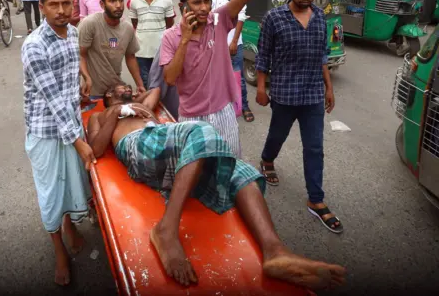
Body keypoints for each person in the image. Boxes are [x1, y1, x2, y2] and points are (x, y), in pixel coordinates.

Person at [86, 83, 346, 290]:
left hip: (163, 148)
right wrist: (115, 113)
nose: (126, 88)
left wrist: (135, 100)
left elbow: (155, 90)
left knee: (242, 171)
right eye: (120, 87)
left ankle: (274, 252)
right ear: (109, 94)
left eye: (127, 86)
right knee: (202, 130)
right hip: (138, 146)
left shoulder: (140, 104)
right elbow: (96, 148)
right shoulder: (100, 115)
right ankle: (166, 229)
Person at [255, 0, 342, 233]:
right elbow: (263, 56)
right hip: (284, 93)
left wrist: (329, 88)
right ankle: (267, 160)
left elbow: (322, 56)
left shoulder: (319, 17)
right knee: (277, 136)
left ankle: (316, 200)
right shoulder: (274, 18)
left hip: (313, 94)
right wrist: (261, 88)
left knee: (314, 148)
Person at [22, 0, 96, 286]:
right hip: (46, 130)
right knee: (51, 192)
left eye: (67, 3)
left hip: (71, 121)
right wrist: (79, 142)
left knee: (69, 184)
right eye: (54, 5)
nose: (62, 11)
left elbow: (71, 66)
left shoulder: (74, 32)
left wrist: (83, 76)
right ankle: (59, 250)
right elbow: (51, 97)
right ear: (41, 7)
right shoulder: (34, 45)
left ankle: (70, 226)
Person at [161, 0, 254, 158]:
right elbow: (170, 79)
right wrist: (185, 39)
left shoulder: (219, 20)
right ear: (183, 6)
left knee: (230, 165)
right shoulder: (170, 37)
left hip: (223, 112)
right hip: (191, 117)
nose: (204, 8)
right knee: (197, 174)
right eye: (196, 2)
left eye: (206, 1)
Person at [79, 0, 145, 100]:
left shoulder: (127, 28)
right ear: (102, 5)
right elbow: (80, 55)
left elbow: (130, 57)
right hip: (93, 92)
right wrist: (86, 78)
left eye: (121, 0)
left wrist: (140, 84)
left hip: (116, 91)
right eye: (112, 1)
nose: (118, 5)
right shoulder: (90, 24)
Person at [210, 0, 254, 123]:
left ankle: (244, 106)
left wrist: (234, 41)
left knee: (238, 76)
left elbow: (241, 16)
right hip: (216, 41)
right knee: (217, 75)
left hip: (232, 41)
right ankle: (223, 105)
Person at [129, 0, 174, 87]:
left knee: (161, 83)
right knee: (145, 82)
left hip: (161, 50)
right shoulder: (134, 1)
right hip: (141, 50)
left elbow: (169, 23)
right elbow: (135, 23)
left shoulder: (166, 0)